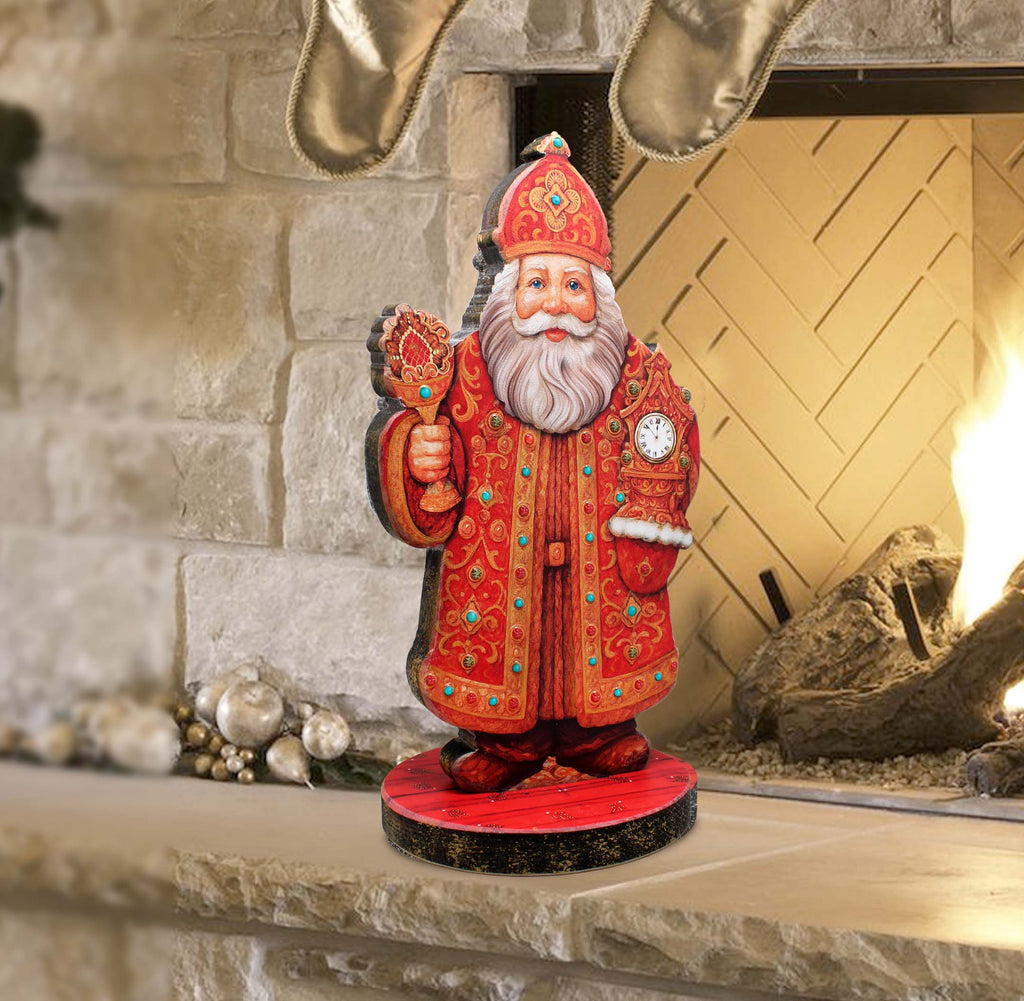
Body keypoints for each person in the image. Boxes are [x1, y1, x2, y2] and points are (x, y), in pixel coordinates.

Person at [368, 133, 699, 792]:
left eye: (574, 285)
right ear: (507, 292)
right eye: (538, 283)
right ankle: (507, 743)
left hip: (599, 575)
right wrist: (416, 450)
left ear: (598, 298)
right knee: (508, 663)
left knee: (588, 659)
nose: (556, 303)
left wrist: (656, 485)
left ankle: (596, 732)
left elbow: (669, 441)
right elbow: (416, 438)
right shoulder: (462, 371)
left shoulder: (633, 371)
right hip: (495, 573)